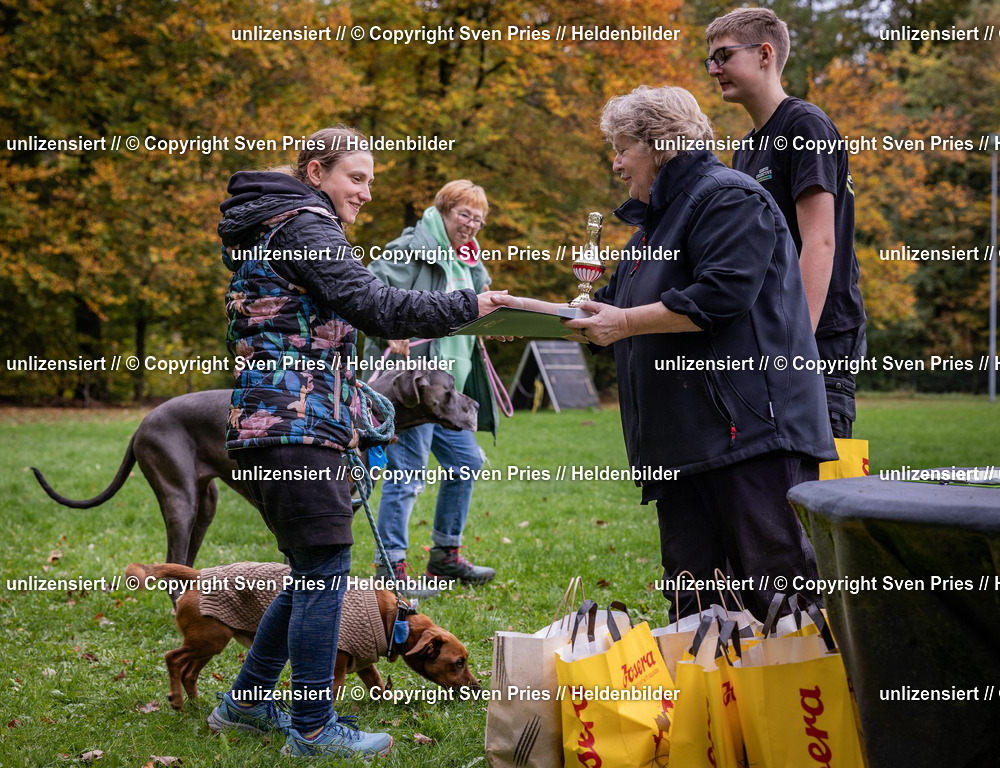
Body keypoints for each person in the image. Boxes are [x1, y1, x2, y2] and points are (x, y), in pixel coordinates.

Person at [213, 125, 507, 758]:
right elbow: (381, 308)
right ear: (316, 172)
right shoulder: (305, 227)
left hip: (275, 424)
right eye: (357, 177)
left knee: (308, 572)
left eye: (371, 180)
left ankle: (244, 703)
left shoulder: (277, 224)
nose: (367, 192)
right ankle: (314, 729)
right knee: (324, 576)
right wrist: (471, 305)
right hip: (294, 426)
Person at [497, 86, 837, 619]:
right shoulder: (652, 227)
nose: (615, 163)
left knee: (779, 598)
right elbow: (604, 311)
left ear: (658, 144)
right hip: (681, 446)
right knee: (696, 608)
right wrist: (521, 312)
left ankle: (803, 703)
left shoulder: (729, 197)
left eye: (621, 147)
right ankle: (709, 703)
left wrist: (626, 322)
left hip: (747, 439)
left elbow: (722, 295)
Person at [706, 7, 867, 439]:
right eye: (710, 60)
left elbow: (820, 243)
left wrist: (798, 347)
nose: (713, 69)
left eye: (723, 56)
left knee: (814, 482)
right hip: (774, 334)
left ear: (764, 53)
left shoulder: (804, 125)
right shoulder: (747, 150)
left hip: (819, 334)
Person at [364, 181, 497, 594]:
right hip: (412, 387)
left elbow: (483, 302)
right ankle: (392, 569)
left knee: (466, 462)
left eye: (478, 219)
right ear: (443, 210)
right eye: (464, 215)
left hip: (447, 391)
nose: (472, 225)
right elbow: (369, 292)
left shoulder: (470, 260)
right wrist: (391, 331)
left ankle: (445, 557)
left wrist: (498, 322)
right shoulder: (411, 247)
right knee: (407, 474)